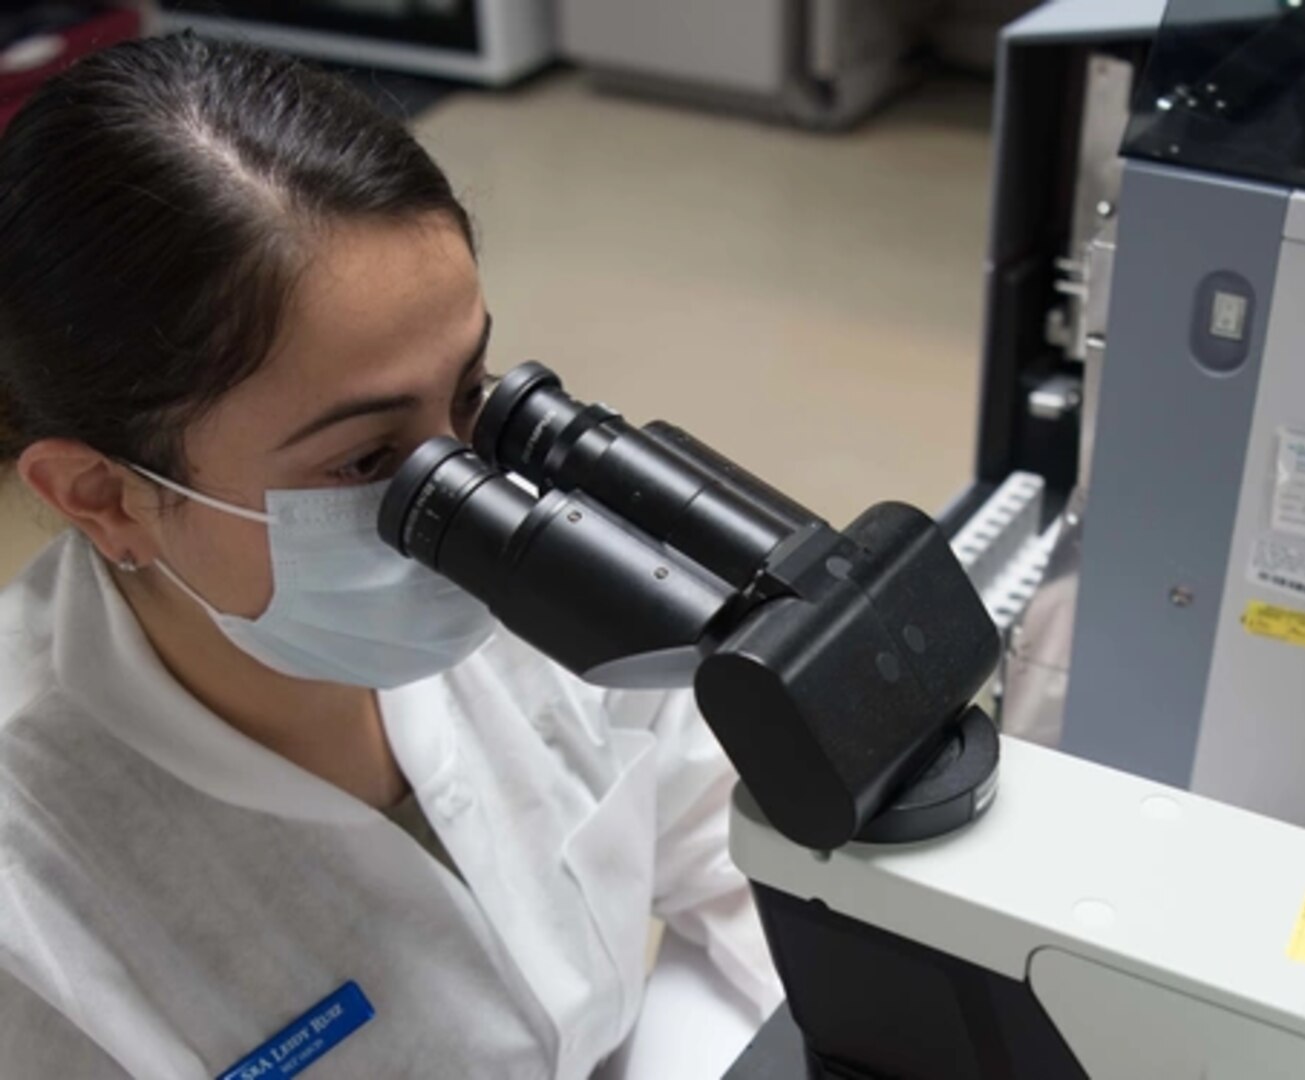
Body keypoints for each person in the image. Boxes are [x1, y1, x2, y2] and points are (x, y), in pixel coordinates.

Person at [0, 33, 780, 1078]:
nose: (467, 494)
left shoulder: (547, 559)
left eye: (472, 394)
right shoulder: (27, 895)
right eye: (368, 456)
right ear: (108, 498)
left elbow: (739, 853)